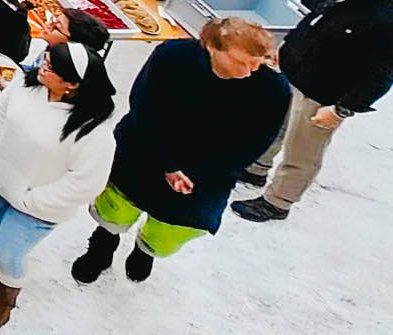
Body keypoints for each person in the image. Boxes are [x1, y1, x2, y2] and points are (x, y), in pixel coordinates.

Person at [72, 19, 289, 283]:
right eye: (241, 61)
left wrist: (194, 172)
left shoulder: (272, 90)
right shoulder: (173, 56)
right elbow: (144, 107)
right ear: (210, 46)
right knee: (117, 203)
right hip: (146, 148)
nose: (251, 70)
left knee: (172, 226)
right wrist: (169, 164)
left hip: (206, 174)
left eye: (257, 61)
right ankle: (102, 245)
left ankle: (145, 250)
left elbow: (251, 144)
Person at [233, 0, 393, 222]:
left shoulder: (391, 19)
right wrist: (285, 49)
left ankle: (278, 202)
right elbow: (314, 19)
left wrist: (341, 109)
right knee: (272, 126)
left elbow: (380, 76)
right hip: (294, 72)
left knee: (302, 151)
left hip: (323, 95)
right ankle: (255, 168)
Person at [0, 34, 117, 335]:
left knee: (9, 252)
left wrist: (34, 201)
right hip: (0, 180)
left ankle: (1, 304)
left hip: (37, 206)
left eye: (51, 67)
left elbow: (86, 182)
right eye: (45, 59)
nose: (41, 66)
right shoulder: (25, 86)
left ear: (72, 84)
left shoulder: (93, 130)